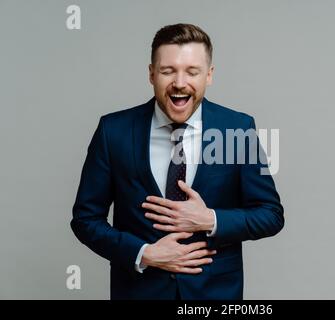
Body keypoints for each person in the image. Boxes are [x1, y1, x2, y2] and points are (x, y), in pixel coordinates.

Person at [71, 23, 284, 300]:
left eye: (192, 71)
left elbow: (271, 215)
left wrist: (210, 219)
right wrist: (143, 253)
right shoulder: (113, 131)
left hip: (215, 296)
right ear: (151, 74)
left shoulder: (238, 129)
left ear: (209, 75)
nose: (180, 83)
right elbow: (86, 220)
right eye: (168, 70)